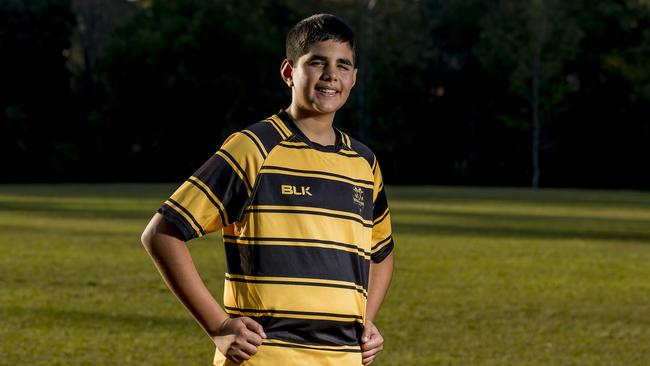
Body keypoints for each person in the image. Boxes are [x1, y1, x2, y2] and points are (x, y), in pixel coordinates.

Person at [141, 13, 394, 366]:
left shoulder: (364, 162)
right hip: (265, 357)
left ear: (354, 78)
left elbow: (380, 253)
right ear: (289, 72)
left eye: (343, 65)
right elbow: (162, 234)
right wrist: (218, 325)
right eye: (317, 62)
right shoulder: (254, 148)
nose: (331, 75)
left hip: (342, 359)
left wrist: (366, 322)